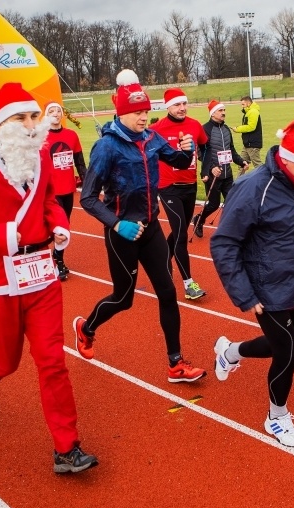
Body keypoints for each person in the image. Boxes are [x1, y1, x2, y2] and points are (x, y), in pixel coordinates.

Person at [0, 82, 97, 474]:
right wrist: (4, 236)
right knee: (6, 359)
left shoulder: (40, 156)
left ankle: (67, 448)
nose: (30, 124)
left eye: (33, 116)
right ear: (1, 123)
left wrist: (58, 225)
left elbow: (47, 200)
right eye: (21, 117)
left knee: (52, 361)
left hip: (42, 275)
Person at [73, 69, 206, 384]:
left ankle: (175, 364)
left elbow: (177, 161)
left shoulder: (151, 137)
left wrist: (187, 149)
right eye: (137, 112)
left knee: (168, 292)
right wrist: (117, 224)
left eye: (146, 110)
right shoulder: (107, 146)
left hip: (151, 227)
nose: (144, 117)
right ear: (122, 113)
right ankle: (86, 328)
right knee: (124, 298)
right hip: (122, 232)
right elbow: (88, 198)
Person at [211, 117, 294, 448]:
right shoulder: (253, 187)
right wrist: (245, 295)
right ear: (286, 157)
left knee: (283, 344)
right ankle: (276, 416)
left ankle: (230, 352)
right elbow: (224, 243)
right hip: (265, 285)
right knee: (288, 352)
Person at [151, 88, 210, 299]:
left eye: (184, 103)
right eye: (177, 104)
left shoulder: (195, 125)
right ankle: (188, 284)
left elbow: (205, 147)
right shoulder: (156, 129)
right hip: (168, 187)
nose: (182, 108)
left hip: (190, 186)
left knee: (180, 230)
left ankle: (162, 259)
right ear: (168, 107)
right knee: (181, 235)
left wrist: (205, 169)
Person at [192, 100, 248, 238]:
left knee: (232, 201)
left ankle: (231, 229)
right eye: (220, 110)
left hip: (227, 174)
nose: (223, 113)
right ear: (212, 113)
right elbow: (200, 152)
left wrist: (241, 162)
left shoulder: (226, 129)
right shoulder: (205, 129)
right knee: (213, 204)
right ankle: (199, 219)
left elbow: (231, 150)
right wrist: (211, 167)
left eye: (224, 110)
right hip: (212, 175)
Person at [44, 101, 86, 281]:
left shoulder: (71, 135)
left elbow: (79, 162)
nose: (55, 113)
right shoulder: (41, 137)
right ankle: (57, 262)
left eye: (58, 110)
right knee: (58, 227)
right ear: (46, 115)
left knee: (65, 225)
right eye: (51, 111)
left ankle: (56, 256)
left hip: (68, 189)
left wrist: (87, 182)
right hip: (50, 192)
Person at [232, 95, 262, 171]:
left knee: (258, 166)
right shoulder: (248, 112)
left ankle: (266, 178)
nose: (242, 106)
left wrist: (238, 129)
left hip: (253, 144)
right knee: (242, 164)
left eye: (243, 104)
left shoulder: (253, 112)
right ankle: (239, 179)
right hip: (247, 144)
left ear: (248, 103)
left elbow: (251, 127)